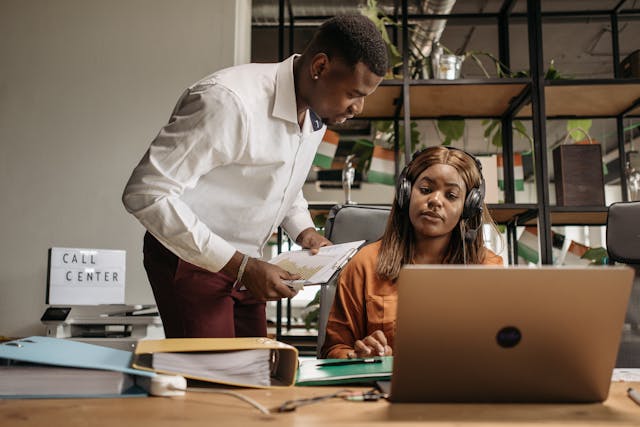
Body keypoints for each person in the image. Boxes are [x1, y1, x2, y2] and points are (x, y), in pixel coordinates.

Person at [122, 15, 388, 338]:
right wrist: (241, 266)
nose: (358, 108)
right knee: (214, 381)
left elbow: (281, 177)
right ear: (319, 68)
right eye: (354, 94)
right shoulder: (228, 102)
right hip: (189, 260)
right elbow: (146, 192)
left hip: (247, 264)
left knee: (257, 373)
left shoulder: (317, 111)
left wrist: (303, 230)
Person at [321, 146, 504, 359]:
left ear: (468, 207)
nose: (435, 200)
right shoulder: (365, 264)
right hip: (383, 388)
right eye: (425, 190)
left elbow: (501, 349)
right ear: (406, 193)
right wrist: (359, 356)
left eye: (451, 195)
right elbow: (334, 349)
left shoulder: (488, 267)